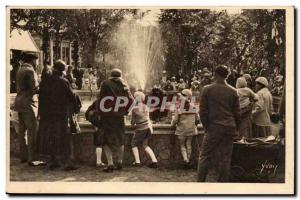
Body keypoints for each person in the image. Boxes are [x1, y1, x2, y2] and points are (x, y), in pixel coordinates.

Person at [197, 65, 240, 182]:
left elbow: (202, 111)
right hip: (229, 128)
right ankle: (222, 185)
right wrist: (236, 129)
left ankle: (200, 183)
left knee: (205, 156)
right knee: (225, 158)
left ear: (215, 74)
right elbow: (237, 113)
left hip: (214, 127)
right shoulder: (233, 91)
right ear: (227, 75)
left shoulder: (207, 89)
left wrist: (207, 127)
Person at [39, 60, 79, 170]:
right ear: (62, 70)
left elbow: (41, 98)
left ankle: (53, 160)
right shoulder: (63, 81)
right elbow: (71, 96)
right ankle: (67, 162)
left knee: (51, 137)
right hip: (61, 114)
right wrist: (76, 108)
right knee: (64, 137)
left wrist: (40, 113)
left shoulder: (45, 81)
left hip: (47, 114)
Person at [97, 68, 134, 172]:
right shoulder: (125, 85)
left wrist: (99, 113)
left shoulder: (105, 83)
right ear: (120, 76)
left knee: (106, 140)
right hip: (120, 116)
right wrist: (125, 111)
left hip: (107, 116)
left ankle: (110, 163)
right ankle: (120, 162)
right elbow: (132, 101)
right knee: (120, 139)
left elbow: (100, 100)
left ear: (111, 75)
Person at [14, 52, 43, 166]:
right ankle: (33, 158)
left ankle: (24, 156)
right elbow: (34, 89)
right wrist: (44, 85)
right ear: (32, 60)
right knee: (32, 131)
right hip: (29, 103)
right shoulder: (31, 71)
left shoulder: (20, 70)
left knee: (22, 131)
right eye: (36, 60)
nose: (36, 62)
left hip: (19, 102)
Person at [172, 89, 199, 168]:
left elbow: (175, 121)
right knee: (189, 144)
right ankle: (189, 160)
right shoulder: (194, 107)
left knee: (182, 145)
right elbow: (197, 119)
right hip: (191, 129)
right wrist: (195, 124)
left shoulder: (179, 108)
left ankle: (185, 160)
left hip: (182, 130)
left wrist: (173, 122)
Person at [130, 91, 158, 168]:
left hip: (140, 129)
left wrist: (133, 123)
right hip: (148, 128)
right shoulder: (146, 106)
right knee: (145, 145)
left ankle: (137, 162)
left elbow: (132, 122)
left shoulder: (134, 109)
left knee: (133, 144)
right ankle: (154, 160)